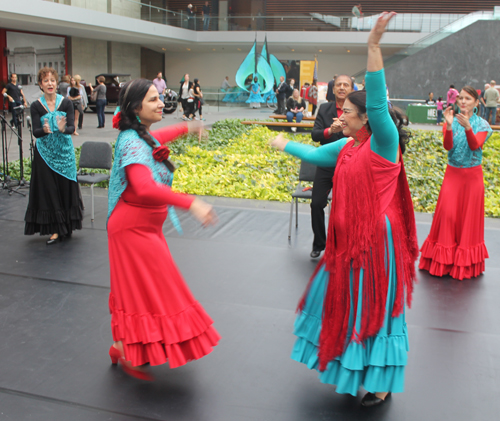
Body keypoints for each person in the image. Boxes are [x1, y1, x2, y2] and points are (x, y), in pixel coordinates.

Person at [271, 12, 418, 407]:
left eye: (347, 112)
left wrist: (373, 47)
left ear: (365, 117)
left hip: (376, 241)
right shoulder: (347, 146)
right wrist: (282, 143)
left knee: (375, 307)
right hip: (348, 241)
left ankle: (382, 383)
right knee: (345, 301)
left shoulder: (382, 142)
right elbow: (315, 153)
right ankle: (349, 363)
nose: (340, 115)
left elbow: (377, 101)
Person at [107, 78, 220, 380]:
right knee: (152, 289)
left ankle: (121, 345)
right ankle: (123, 346)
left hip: (145, 227)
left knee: (145, 290)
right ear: (135, 107)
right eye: (154, 99)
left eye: (160, 98)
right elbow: (143, 188)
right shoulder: (131, 141)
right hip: (131, 229)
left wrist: (188, 128)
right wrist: (191, 203)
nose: (162, 104)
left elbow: (157, 137)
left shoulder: (139, 135)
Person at [419, 87, 492, 280]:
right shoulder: (450, 120)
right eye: (460, 98)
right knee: (448, 216)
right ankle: (443, 262)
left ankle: (464, 265)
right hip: (452, 175)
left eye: (468, 98)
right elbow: (447, 146)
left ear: (477, 102)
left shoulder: (483, 125)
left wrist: (468, 127)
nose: (463, 101)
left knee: (468, 219)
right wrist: (449, 126)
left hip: (472, 178)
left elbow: (475, 145)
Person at [24, 67, 83, 244]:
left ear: (57, 84)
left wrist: (64, 128)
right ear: (41, 85)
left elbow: (72, 128)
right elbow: (35, 131)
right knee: (49, 190)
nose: (50, 83)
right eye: (46, 81)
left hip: (64, 153)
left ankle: (66, 226)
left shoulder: (66, 103)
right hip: (44, 154)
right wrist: (43, 130)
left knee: (65, 188)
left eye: (52, 80)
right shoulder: (36, 106)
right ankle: (55, 229)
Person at [308, 74, 353, 258]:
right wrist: (330, 131)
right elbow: (315, 134)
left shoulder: (357, 111)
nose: (342, 87)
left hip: (350, 165)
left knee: (345, 208)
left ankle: (343, 246)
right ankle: (319, 243)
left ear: (351, 89)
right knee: (317, 203)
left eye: (346, 85)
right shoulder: (325, 109)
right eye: (338, 85)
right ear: (333, 90)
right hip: (326, 165)